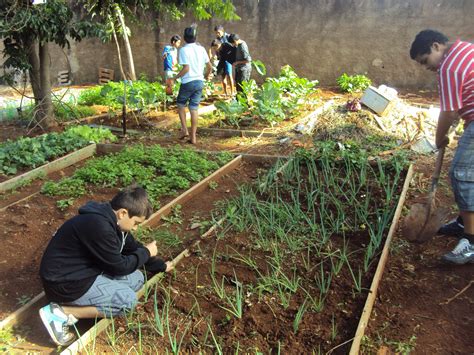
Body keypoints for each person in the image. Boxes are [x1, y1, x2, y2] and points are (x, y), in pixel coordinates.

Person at [38, 186, 174, 346]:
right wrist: (146, 252)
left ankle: (92, 304)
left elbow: (132, 247)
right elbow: (120, 267)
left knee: (137, 278)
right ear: (123, 213)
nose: (136, 228)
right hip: (65, 284)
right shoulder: (98, 226)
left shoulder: (114, 222)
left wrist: (160, 266)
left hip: (84, 273)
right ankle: (61, 313)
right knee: (127, 302)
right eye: (136, 223)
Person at [410, 29, 474, 264]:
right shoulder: (467, 49)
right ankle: (463, 221)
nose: (427, 68)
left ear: (436, 46)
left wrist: (439, 138)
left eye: (425, 61)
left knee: (461, 174)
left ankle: (471, 242)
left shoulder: (448, 67)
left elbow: (447, 111)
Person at [171, 25, 211, 144]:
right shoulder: (201, 49)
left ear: (184, 38)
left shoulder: (183, 50)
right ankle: (193, 137)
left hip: (188, 82)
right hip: (199, 82)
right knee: (194, 108)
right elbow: (210, 66)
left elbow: (186, 69)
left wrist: (175, 77)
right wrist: (205, 76)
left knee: (180, 103)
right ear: (195, 37)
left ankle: (184, 130)